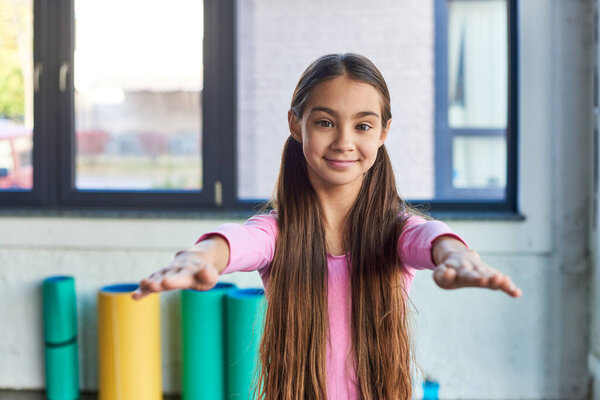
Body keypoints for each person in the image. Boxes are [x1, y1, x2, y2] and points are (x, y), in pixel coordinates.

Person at [133, 53, 523, 400]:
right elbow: (239, 239)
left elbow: (427, 237)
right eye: (325, 122)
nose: (343, 142)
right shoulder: (278, 232)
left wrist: (457, 253)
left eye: (363, 126)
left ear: (384, 132)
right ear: (296, 125)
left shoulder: (395, 230)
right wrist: (202, 254)